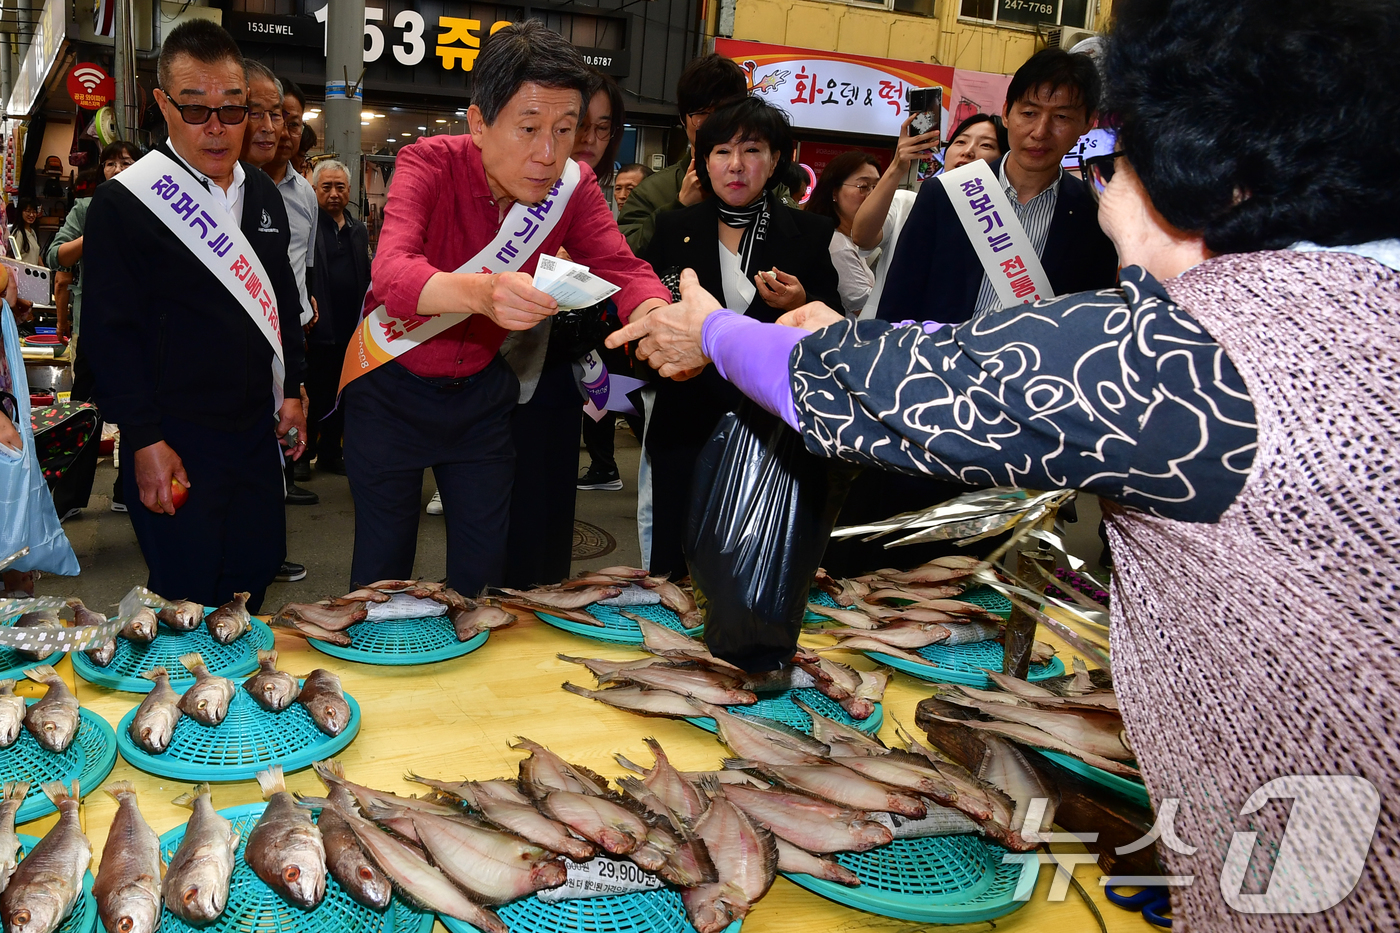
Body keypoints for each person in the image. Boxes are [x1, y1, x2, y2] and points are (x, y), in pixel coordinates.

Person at [613, 0, 1400, 926]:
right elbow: (969, 365)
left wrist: (709, 327)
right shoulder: (1358, 304)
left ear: (1209, 176)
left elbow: (868, 387)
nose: (1102, 194)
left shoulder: (1192, 357)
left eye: (1113, 158)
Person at [342, 22, 669, 594]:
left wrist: (658, 318)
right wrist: (481, 293)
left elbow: (624, 269)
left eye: (565, 130)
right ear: (478, 122)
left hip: (481, 399)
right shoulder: (428, 163)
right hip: (391, 385)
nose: (548, 154)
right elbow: (391, 272)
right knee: (381, 573)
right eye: (528, 128)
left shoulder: (574, 185)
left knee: (481, 574)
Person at [81, 19, 307, 613]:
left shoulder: (261, 193)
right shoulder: (125, 202)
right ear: (162, 104)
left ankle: (238, 704)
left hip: (254, 432)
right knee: (187, 591)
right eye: (195, 109)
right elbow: (109, 336)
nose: (217, 128)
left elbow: (281, 296)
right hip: (174, 437)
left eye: (233, 111)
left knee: (253, 574)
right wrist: (144, 438)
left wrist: (294, 390)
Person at [639, 95, 840, 578]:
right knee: (675, 567)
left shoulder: (810, 233)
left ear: (774, 162)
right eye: (721, 152)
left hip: (771, 432)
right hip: (684, 423)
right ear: (703, 162)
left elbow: (835, 324)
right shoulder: (672, 226)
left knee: (759, 571)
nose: (735, 165)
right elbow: (649, 309)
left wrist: (799, 302)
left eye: (751, 151)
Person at [500, 71, 629, 586]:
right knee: (511, 512)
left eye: (603, 128)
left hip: (568, 366)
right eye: (581, 128)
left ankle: (546, 600)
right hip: (509, 364)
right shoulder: (523, 181)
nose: (590, 142)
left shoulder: (595, 193)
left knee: (554, 503)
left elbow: (621, 269)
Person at [879, 49, 1117, 326]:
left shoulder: (1096, 213)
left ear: (1089, 122)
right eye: (1029, 112)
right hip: (940, 364)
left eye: (1061, 117)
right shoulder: (946, 193)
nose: (1040, 131)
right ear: (1006, 113)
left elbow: (1088, 320)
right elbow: (897, 304)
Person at [852, 113, 1005, 320]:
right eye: (960, 141)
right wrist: (897, 165)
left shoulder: (1001, 226)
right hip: (889, 335)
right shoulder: (907, 203)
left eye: (986, 145)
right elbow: (862, 236)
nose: (968, 151)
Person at [616, 54, 749, 254]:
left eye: (725, 112)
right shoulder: (650, 191)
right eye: (702, 113)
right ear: (682, 118)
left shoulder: (765, 184)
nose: (715, 123)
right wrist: (679, 206)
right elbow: (623, 255)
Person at [47, 140, 141, 400]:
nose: (117, 169)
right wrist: (92, 236)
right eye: (110, 163)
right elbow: (55, 256)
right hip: (93, 323)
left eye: (125, 163)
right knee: (87, 402)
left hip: (140, 324)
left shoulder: (151, 209)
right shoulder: (86, 209)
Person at [306, 159, 368, 476]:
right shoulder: (308, 227)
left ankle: (332, 452)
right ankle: (302, 458)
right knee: (316, 393)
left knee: (345, 392)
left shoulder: (358, 230)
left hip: (352, 327)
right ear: (314, 189)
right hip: (319, 327)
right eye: (326, 187)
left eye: (339, 187)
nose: (333, 193)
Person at [804, 152, 882, 314]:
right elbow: (867, 309)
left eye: (877, 187)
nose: (873, 195)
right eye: (863, 186)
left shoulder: (851, 240)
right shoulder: (838, 246)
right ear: (834, 192)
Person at [11, 200, 42, 265]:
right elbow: (14, 259)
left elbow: (37, 256)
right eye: (28, 211)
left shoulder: (32, 232)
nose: (31, 215)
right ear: (21, 212)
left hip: (34, 273)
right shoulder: (19, 233)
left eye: (34, 212)